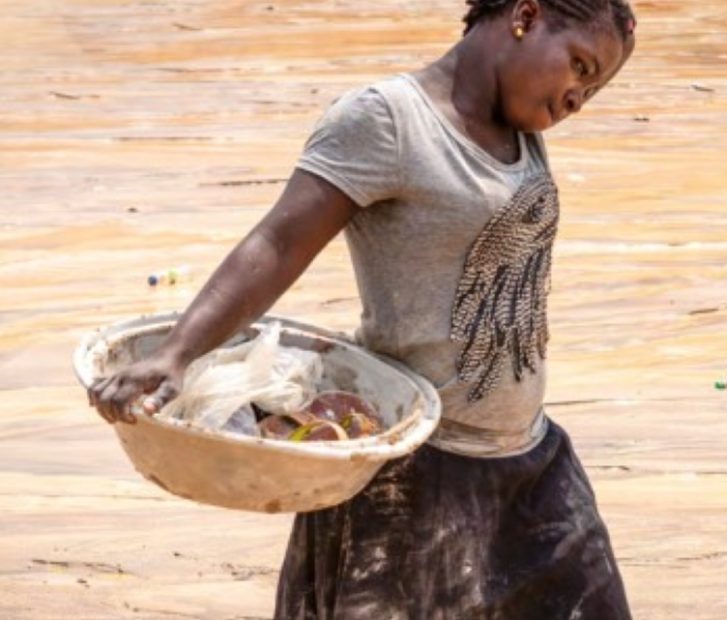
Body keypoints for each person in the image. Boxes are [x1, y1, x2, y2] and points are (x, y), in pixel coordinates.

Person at [87, 0, 637, 617]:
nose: (576, 101)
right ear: (526, 16)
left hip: (530, 462)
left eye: (593, 90)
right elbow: (277, 243)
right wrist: (177, 354)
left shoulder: (522, 133)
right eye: (579, 67)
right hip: (418, 475)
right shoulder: (388, 120)